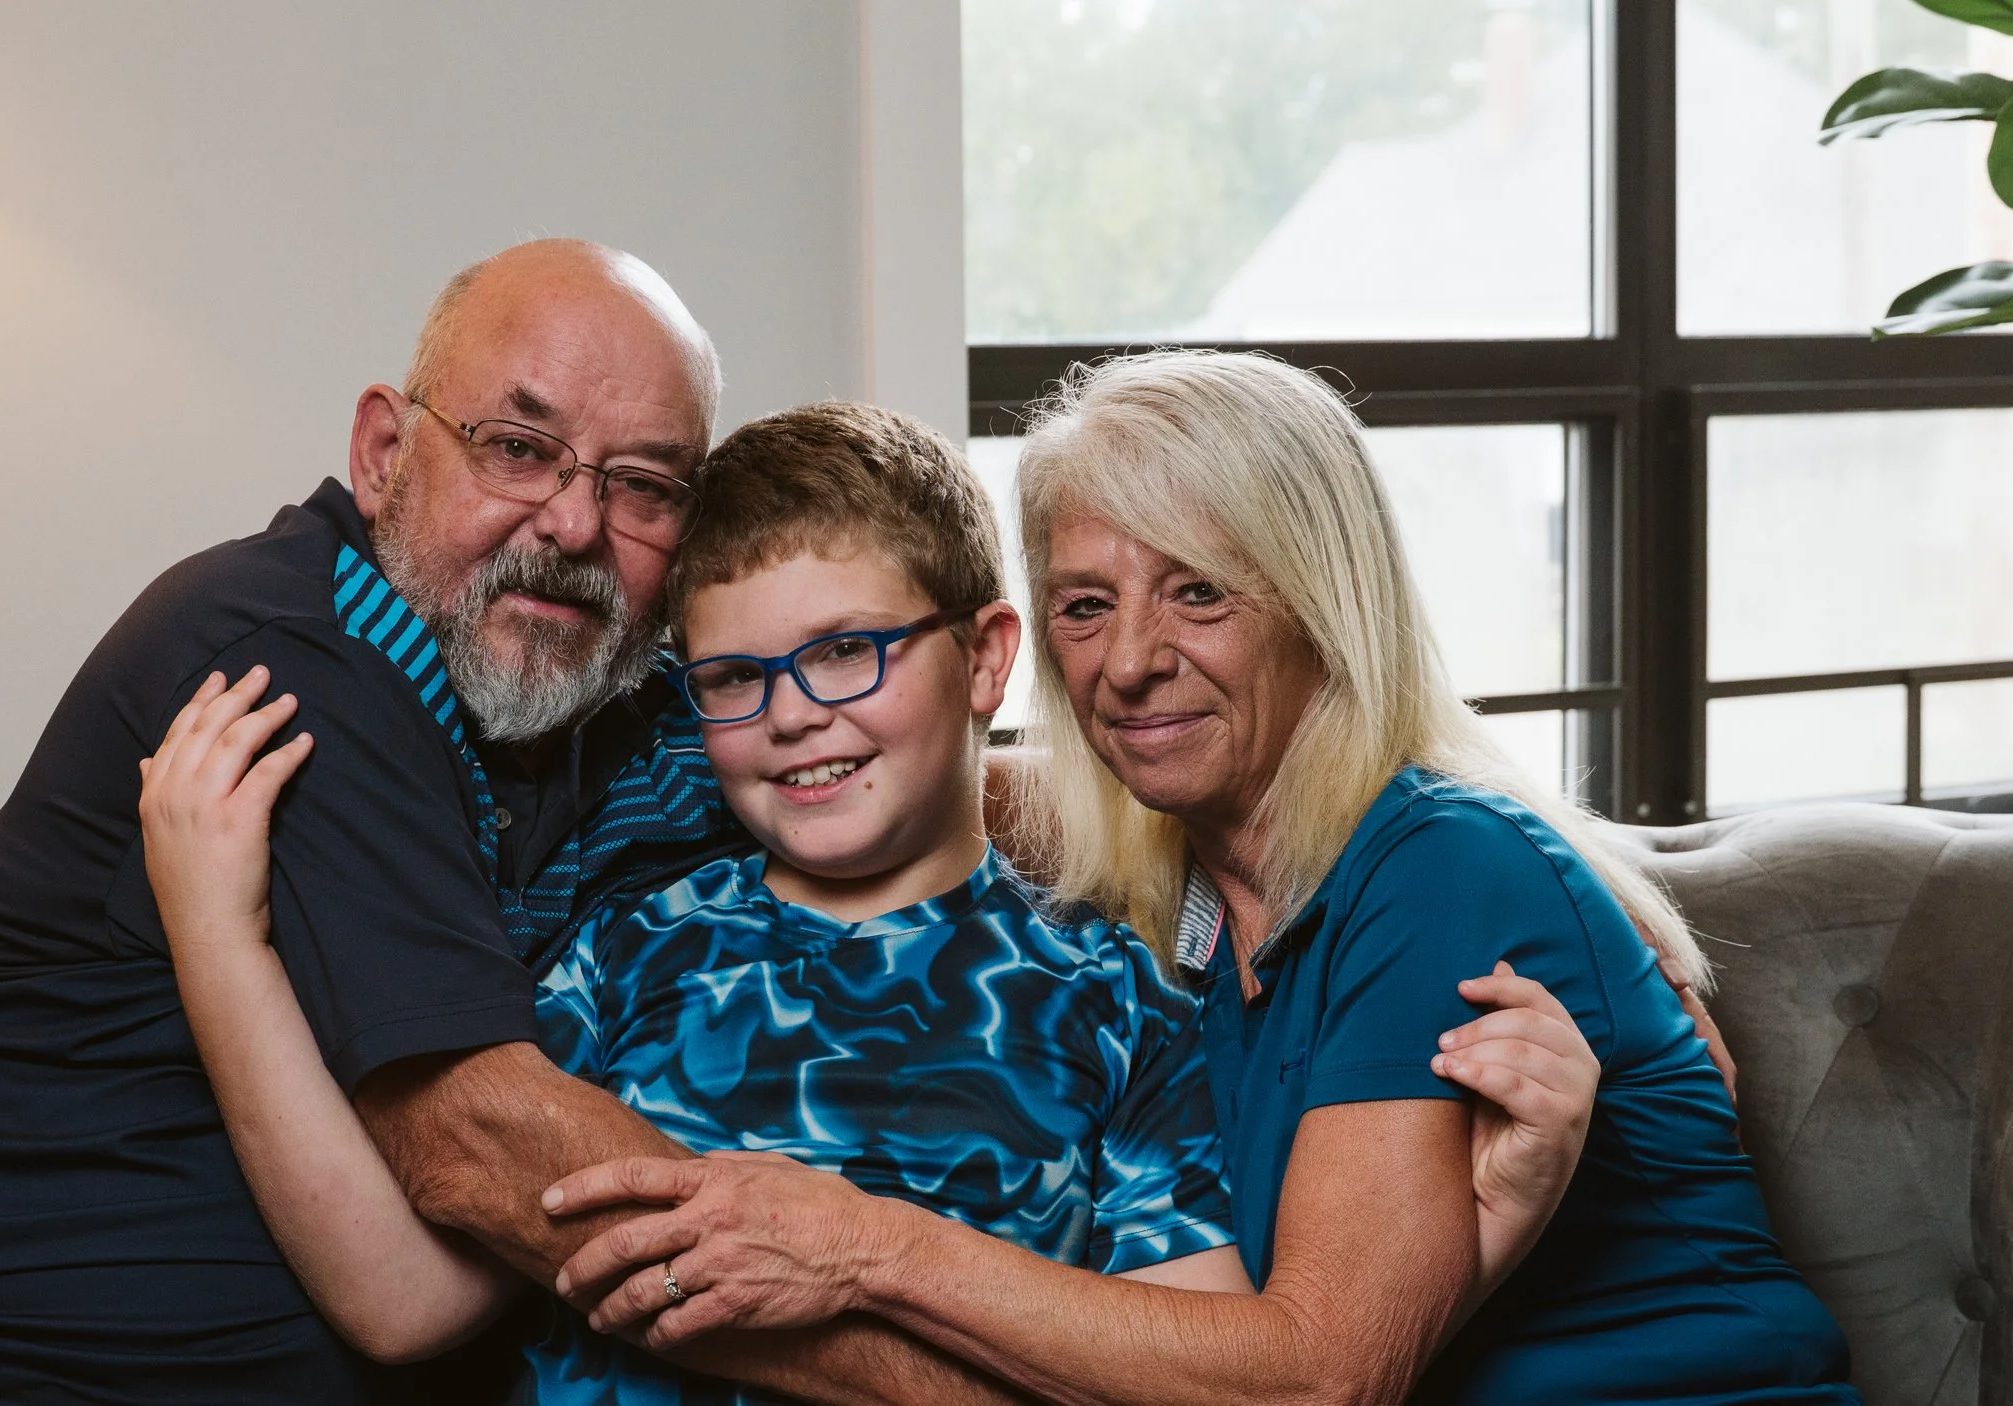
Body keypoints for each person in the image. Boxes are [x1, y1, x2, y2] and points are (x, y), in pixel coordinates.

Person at [0, 240, 1025, 1405]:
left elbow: (889, 764)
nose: (574, 524)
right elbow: (477, 1149)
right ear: (384, 449)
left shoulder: (636, 716)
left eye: (644, 483)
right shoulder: (278, 649)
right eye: (518, 445)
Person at [133, 401, 1608, 1404]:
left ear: (983, 661)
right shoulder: (628, 956)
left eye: (847, 654)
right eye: (732, 678)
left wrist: (1486, 1219)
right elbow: (401, 1299)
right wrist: (220, 934)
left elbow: (1226, 1369)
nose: (792, 715)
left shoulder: (1111, 996)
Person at [541, 352, 1860, 1405]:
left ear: (1320, 602)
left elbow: (1322, 1371)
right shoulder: (1166, 899)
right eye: (1086, 604)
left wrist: (861, 1245)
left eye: (1200, 593)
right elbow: (904, 776)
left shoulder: (1440, 867)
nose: (1128, 663)